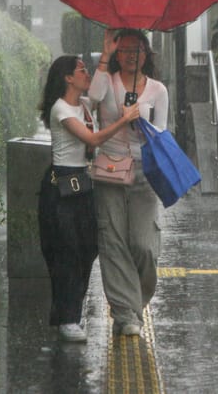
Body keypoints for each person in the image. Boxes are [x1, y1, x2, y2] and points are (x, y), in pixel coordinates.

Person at [37, 55, 141, 342]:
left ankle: (71, 313)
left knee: (86, 249)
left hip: (82, 185)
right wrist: (124, 119)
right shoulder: (61, 108)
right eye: (82, 70)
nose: (87, 74)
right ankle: (67, 319)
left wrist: (108, 52)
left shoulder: (83, 105)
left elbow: (96, 93)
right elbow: (92, 140)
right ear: (68, 78)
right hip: (61, 188)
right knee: (66, 252)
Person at [88, 28, 169, 337]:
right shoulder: (106, 81)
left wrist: (140, 122)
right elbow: (93, 97)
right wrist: (105, 54)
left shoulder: (158, 90)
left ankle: (136, 301)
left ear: (146, 55)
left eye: (138, 51)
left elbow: (161, 132)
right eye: (125, 50)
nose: (131, 56)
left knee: (144, 246)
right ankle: (125, 313)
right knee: (113, 243)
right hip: (109, 170)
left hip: (144, 173)